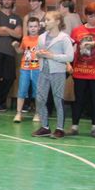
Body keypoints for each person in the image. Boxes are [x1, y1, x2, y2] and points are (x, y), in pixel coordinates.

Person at [68, 2, 95, 138]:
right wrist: (68, 63)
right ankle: (74, 126)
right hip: (80, 70)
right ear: (86, 15)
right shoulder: (77, 30)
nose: (93, 18)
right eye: (90, 15)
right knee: (79, 99)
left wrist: (93, 43)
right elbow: (71, 47)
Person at [32, 11, 74, 139]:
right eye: (45, 19)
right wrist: (39, 54)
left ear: (57, 22)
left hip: (57, 71)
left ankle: (60, 128)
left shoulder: (64, 38)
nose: (45, 22)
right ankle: (45, 127)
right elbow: (38, 52)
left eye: (48, 19)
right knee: (40, 98)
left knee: (58, 99)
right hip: (43, 71)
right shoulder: (41, 37)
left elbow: (70, 56)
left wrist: (52, 56)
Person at [0, 0, 23, 112]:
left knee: (10, 77)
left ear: (13, 1)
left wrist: (6, 29)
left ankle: (1, 100)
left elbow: (19, 35)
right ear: (1, 0)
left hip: (10, 51)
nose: (7, 1)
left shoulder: (17, 18)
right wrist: (11, 31)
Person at [12, 17, 42, 124]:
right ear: (28, 28)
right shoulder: (25, 39)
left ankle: (37, 113)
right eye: (30, 26)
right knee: (22, 90)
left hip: (37, 68)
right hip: (25, 68)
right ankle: (18, 113)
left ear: (39, 27)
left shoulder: (41, 39)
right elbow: (20, 51)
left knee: (37, 92)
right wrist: (16, 46)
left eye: (35, 26)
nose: (33, 29)